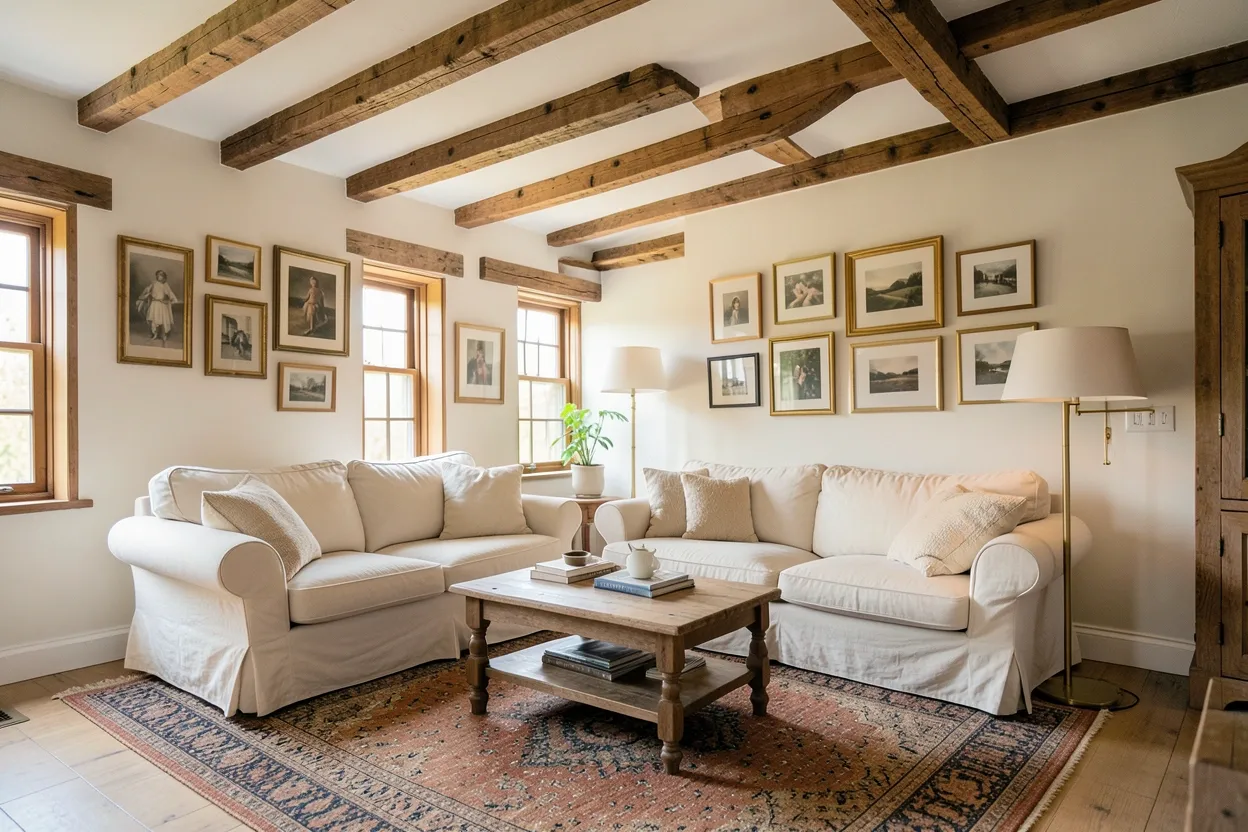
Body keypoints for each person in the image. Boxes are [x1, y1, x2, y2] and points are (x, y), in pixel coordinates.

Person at [136, 270, 178, 348]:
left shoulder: (165, 285)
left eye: (161, 275)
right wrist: (147, 295)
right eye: (158, 275)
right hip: (154, 304)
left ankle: (164, 335)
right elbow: (147, 290)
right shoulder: (154, 284)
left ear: (164, 277)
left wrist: (172, 300)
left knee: (163, 319)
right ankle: (155, 334)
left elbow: (170, 293)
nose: (159, 277)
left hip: (162, 304)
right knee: (154, 320)